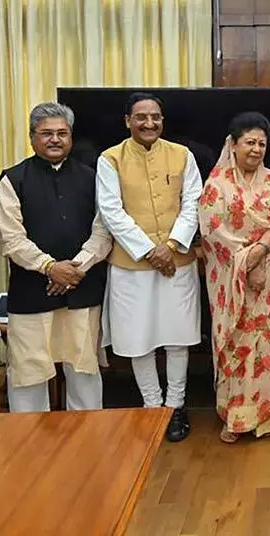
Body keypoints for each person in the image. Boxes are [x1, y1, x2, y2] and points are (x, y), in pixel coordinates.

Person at [97, 92, 202, 442]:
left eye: (155, 117)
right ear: (128, 120)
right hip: (131, 266)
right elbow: (111, 211)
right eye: (141, 117)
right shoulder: (109, 159)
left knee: (177, 338)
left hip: (178, 261)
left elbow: (194, 204)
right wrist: (148, 251)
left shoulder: (182, 155)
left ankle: (175, 406)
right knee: (138, 339)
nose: (149, 123)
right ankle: (151, 406)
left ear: (162, 120)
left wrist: (170, 246)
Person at [0, 102, 111, 412]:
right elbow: (11, 238)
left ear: (71, 137)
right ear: (32, 137)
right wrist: (49, 267)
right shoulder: (13, 179)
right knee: (28, 374)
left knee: (84, 370)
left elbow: (103, 232)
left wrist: (75, 270)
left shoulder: (94, 177)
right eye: (46, 133)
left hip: (82, 290)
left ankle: (87, 444)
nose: (55, 139)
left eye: (62, 133)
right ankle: (29, 447)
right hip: (32, 291)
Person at [198, 112, 270, 443]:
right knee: (236, 346)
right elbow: (213, 231)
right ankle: (235, 416)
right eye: (250, 142)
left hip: (269, 280)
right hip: (230, 282)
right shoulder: (216, 186)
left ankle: (267, 414)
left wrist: (258, 255)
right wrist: (246, 264)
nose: (256, 149)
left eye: (262, 144)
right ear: (233, 144)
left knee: (267, 343)